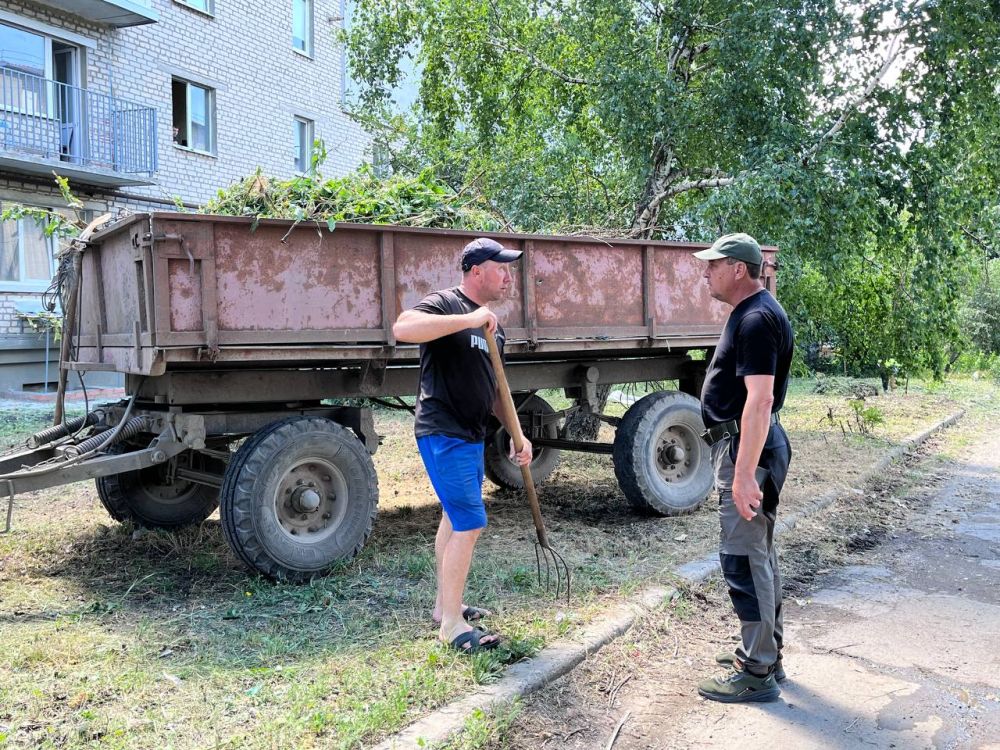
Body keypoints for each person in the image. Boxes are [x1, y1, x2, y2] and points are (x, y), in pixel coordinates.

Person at [393, 237, 533, 655]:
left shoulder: (495, 329)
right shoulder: (447, 304)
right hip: (443, 430)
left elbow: (496, 391)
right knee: (471, 522)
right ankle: (452, 627)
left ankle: (445, 606)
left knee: (454, 520)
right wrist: (468, 320)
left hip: (471, 435)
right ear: (476, 271)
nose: (508, 276)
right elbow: (403, 328)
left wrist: (518, 433)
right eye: (501, 267)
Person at [693, 233, 794, 703]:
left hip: (746, 448)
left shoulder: (755, 318)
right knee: (759, 553)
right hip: (751, 445)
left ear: (738, 269)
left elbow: (760, 400)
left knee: (743, 557)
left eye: (713, 265)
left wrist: (741, 473)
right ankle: (766, 652)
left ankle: (757, 671)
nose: (706, 272)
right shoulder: (756, 312)